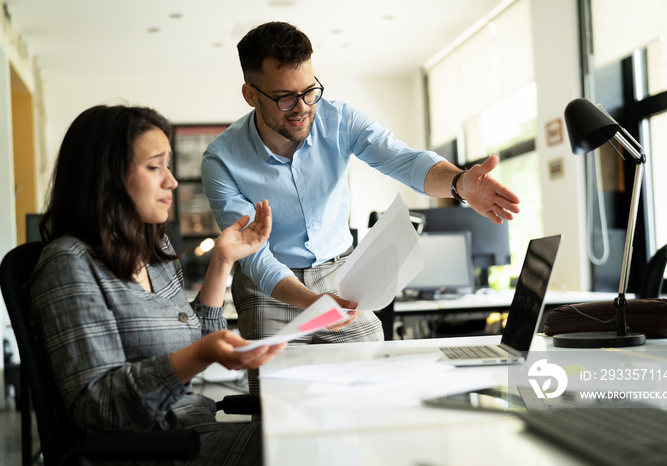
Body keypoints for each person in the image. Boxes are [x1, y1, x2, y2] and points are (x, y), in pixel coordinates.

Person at [200, 21, 521, 378]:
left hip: (339, 273)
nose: (303, 107)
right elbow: (253, 256)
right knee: (280, 403)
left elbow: (404, 159)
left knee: (371, 380)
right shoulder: (222, 159)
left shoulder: (338, 120)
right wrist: (310, 302)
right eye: (285, 97)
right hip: (270, 288)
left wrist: (459, 183)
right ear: (251, 94)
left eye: (310, 91)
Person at [28, 104, 285, 466]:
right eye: (154, 167)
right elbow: (98, 408)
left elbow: (195, 339)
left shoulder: (154, 251)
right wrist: (200, 355)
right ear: (107, 177)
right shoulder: (68, 264)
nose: (172, 181)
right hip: (153, 450)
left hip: (195, 429)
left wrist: (223, 261)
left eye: (168, 165)